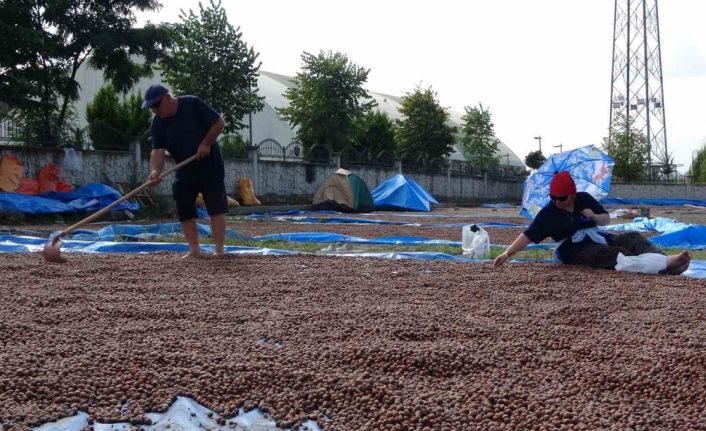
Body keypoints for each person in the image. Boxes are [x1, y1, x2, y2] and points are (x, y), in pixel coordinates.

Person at [494, 171, 690, 275]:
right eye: (553, 197)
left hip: (598, 236)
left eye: (561, 197)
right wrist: (507, 253)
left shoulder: (584, 199)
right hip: (573, 249)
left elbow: (606, 220)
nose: (557, 201)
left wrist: (594, 217)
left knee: (632, 237)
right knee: (614, 255)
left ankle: (663, 261)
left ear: (572, 194)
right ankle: (664, 265)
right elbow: (528, 235)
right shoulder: (549, 213)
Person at [143, 84, 227, 258]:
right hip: (184, 167)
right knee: (184, 208)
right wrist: (154, 171)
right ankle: (195, 250)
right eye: (152, 108)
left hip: (210, 164)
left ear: (167, 99)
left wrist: (206, 143)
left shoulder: (193, 104)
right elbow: (158, 150)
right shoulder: (158, 122)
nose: (155, 111)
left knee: (215, 207)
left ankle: (219, 250)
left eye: (156, 106)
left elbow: (219, 122)